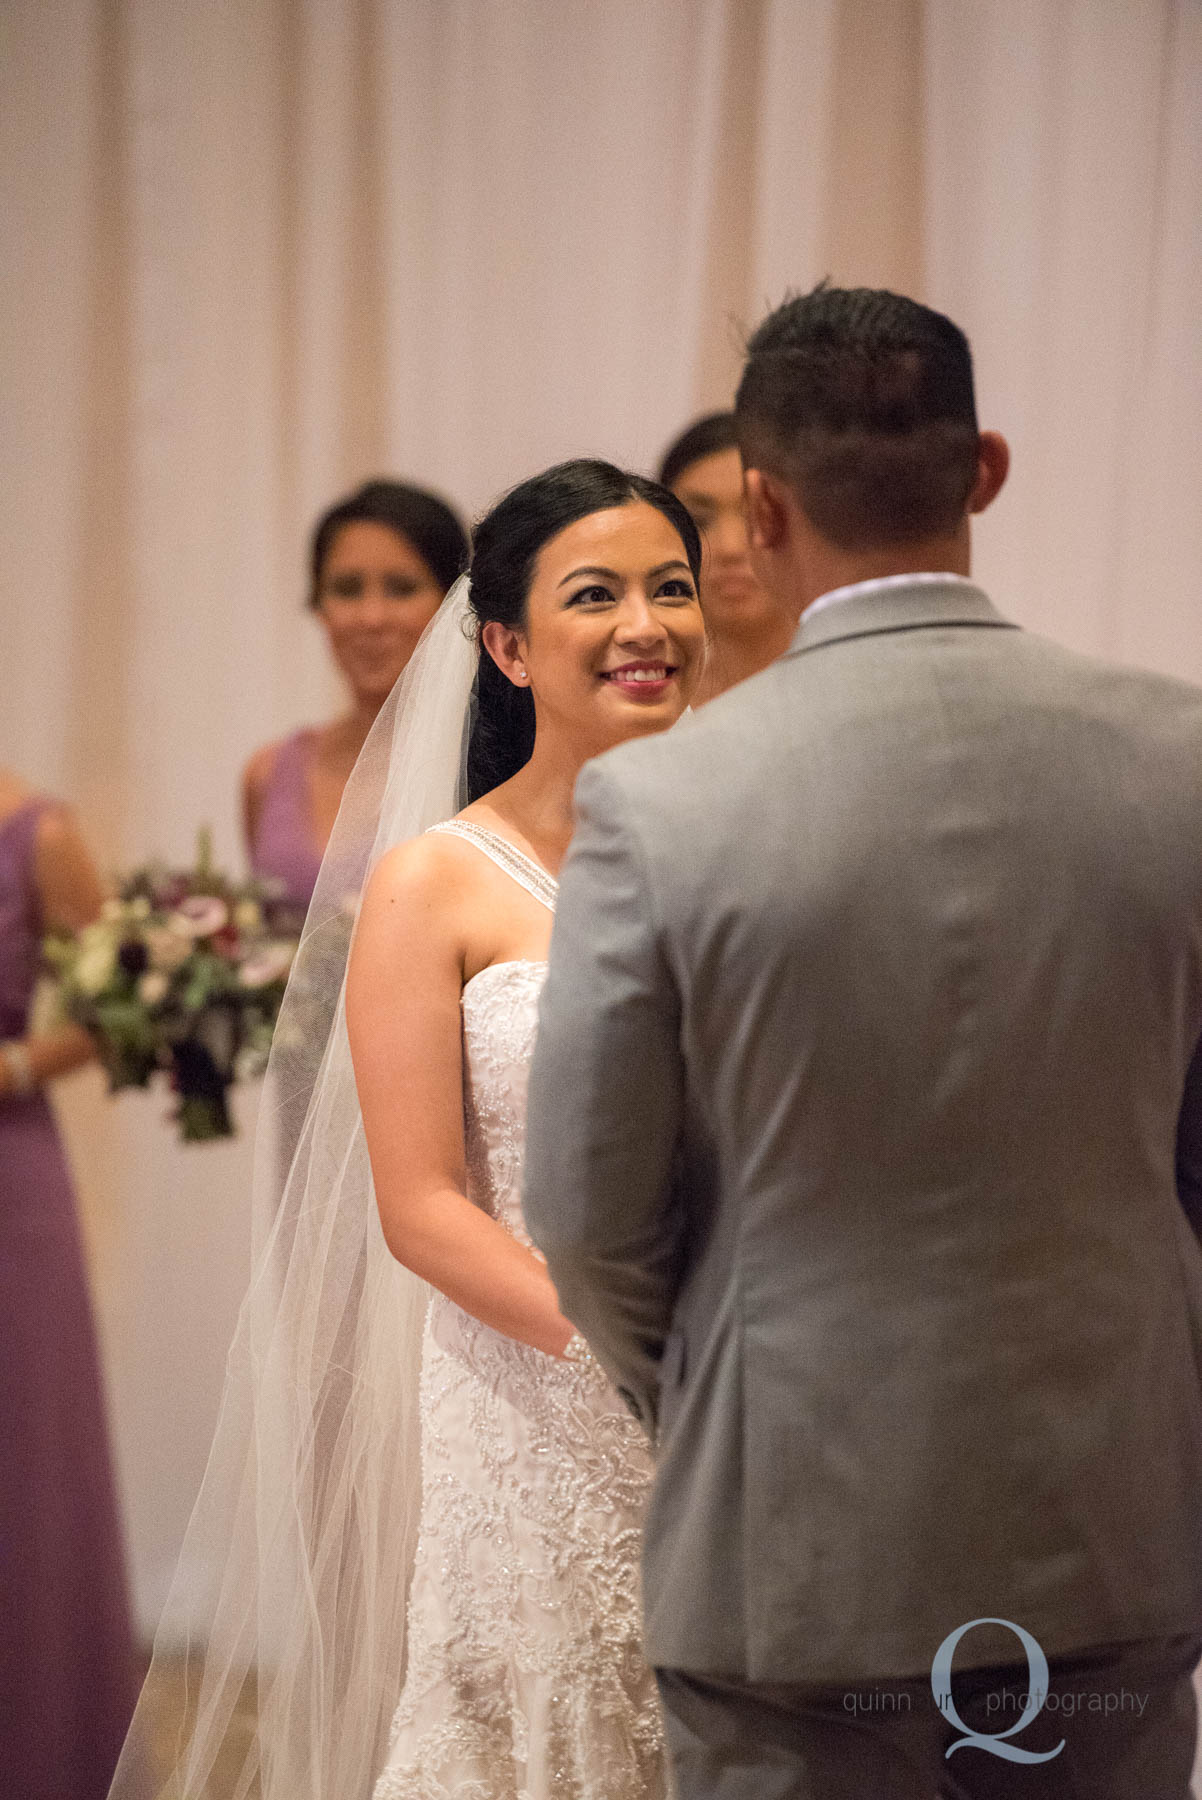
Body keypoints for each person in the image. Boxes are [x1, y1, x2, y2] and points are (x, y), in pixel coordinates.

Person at [524, 285, 1202, 1799]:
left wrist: (722, 1384)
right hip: (1111, 1528)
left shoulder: (668, 803)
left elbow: (587, 1218)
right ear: (986, 468)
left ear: (755, 508)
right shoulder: (1183, 760)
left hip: (795, 1556)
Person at [108, 460, 705, 1800]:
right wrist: (645, 1350)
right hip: (541, 1394)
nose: (645, 624)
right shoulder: (436, 880)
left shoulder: (750, 850)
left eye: (670, 587)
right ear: (504, 645)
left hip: (748, 1395)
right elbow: (424, 1202)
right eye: (595, 594)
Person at [0, 770, 135, 1800]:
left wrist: (10, 1067)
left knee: (24, 1464)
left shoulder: (37, 828)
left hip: (10, 1182)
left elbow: (120, 1015)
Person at [243, 479, 469, 916]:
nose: (371, 617)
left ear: (452, 603)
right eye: (347, 589)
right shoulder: (269, 773)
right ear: (319, 607)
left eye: (401, 588)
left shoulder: (483, 763)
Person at [658, 412, 793, 702]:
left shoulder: (853, 688)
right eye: (699, 519)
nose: (729, 547)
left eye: (758, 515)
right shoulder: (642, 690)